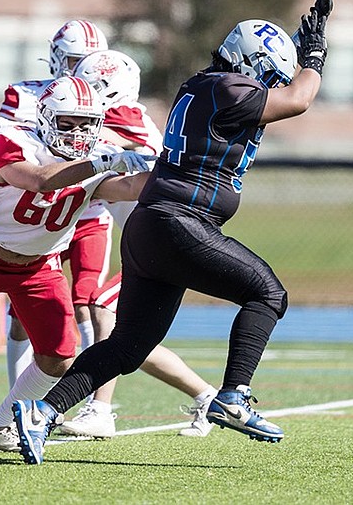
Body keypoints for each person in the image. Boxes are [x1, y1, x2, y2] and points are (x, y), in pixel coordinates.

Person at [12, 0, 333, 465]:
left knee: (130, 343)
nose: (270, 86)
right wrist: (315, 55)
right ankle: (233, 395)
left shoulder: (204, 85)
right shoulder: (227, 87)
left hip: (155, 224)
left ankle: (41, 414)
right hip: (179, 221)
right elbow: (297, 100)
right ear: (249, 66)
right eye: (268, 75)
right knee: (268, 293)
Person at [0, 75, 150, 453]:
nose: (78, 134)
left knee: (59, 355)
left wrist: (179, 165)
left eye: (86, 124)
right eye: (68, 123)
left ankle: (0, 424)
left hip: (39, 264)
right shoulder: (21, 142)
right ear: (48, 118)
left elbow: (132, 189)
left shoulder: (96, 158)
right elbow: (39, 181)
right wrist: (101, 161)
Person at [53, 49, 217, 439]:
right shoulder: (123, 120)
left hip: (163, 238)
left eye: (90, 87)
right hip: (154, 240)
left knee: (103, 311)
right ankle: (208, 397)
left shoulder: (121, 119)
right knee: (131, 339)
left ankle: (101, 409)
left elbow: (96, 145)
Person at [0, 19, 109, 391]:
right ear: (59, 57)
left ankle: (89, 398)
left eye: (91, 60)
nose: (83, 68)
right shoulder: (25, 95)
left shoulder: (113, 100)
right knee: (20, 312)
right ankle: (19, 399)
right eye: (76, 59)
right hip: (36, 210)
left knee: (87, 302)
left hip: (87, 209)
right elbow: (14, 150)